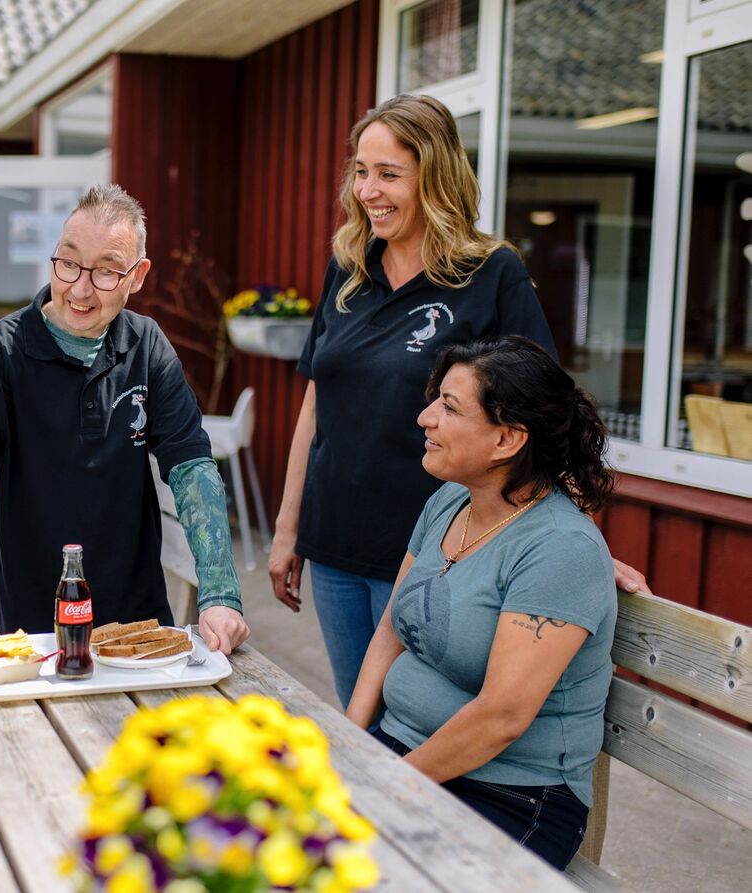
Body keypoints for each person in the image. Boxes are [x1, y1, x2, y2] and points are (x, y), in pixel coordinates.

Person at [268, 93, 646, 707]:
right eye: (361, 171)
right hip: (335, 540)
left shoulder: (491, 274)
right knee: (359, 723)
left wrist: (577, 545)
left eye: (390, 174)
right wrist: (288, 529)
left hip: (440, 552)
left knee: (421, 732)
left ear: (435, 178)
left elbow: (547, 418)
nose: (368, 190)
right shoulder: (349, 269)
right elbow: (317, 404)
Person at [0, 184, 250, 673]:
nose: (80, 289)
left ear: (137, 275)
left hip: (136, 630)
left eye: (105, 271)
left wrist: (221, 595)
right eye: (68, 263)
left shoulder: (147, 349)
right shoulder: (4, 352)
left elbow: (193, 470)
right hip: (24, 630)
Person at [346, 335, 616, 869]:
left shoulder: (560, 549)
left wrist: (382, 786)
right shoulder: (449, 501)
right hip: (401, 753)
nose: (425, 418)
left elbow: (501, 717)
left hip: (508, 796)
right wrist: (349, 743)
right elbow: (389, 632)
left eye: (448, 407)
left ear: (508, 439)